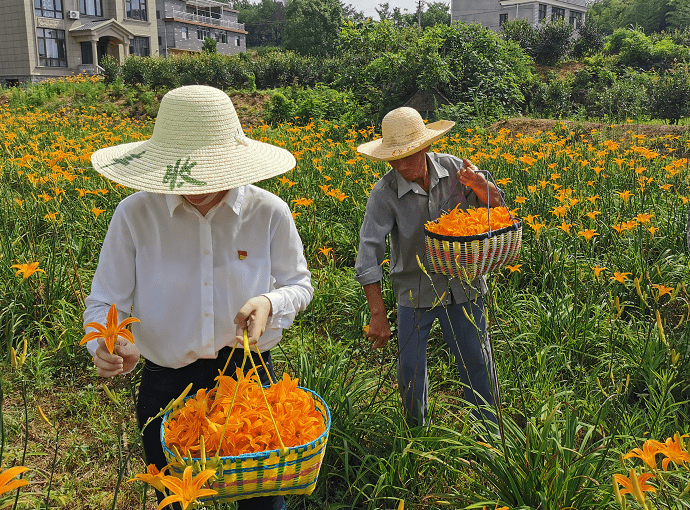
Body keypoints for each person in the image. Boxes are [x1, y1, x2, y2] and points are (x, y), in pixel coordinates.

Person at [82, 85, 313, 510]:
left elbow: (299, 284)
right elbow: (104, 303)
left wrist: (269, 302)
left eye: (213, 171)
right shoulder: (135, 215)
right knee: (173, 499)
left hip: (247, 376)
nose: (198, 185)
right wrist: (108, 343)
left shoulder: (269, 212)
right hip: (166, 381)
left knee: (262, 500)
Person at [354, 107, 501, 428]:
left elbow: (497, 208)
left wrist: (479, 186)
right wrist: (377, 314)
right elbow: (368, 253)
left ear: (426, 148)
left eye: (408, 156)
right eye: (393, 158)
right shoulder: (384, 194)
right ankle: (415, 432)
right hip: (414, 290)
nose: (401, 166)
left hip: (465, 284)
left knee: (477, 359)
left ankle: (487, 429)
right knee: (410, 367)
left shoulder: (457, 170)